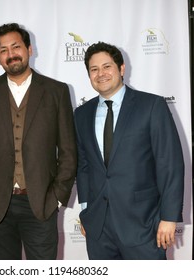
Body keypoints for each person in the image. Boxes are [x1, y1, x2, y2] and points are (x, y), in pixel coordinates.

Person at [0, 23, 77, 260]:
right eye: (3, 50)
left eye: (15, 47)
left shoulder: (56, 91)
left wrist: (56, 198)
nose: (10, 54)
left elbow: (68, 150)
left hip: (41, 204)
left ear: (29, 48)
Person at [74, 41, 184, 260]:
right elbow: (84, 166)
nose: (101, 74)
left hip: (143, 225)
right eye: (94, 69)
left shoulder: (151, 106)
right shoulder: (81, 114)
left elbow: (169, 164)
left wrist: (169, 218)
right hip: (99, 229)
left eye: (107, 66)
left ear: (121, 68)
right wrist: (87, 212)